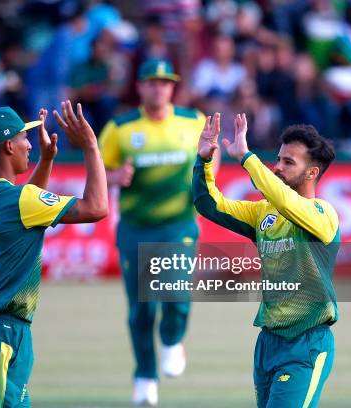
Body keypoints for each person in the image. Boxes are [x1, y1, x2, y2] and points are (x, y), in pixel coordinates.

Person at [0, 101, 108, 406]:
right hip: (1, 331)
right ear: (9, 146)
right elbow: (97, 207)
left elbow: (24, 209)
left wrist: (47, 161)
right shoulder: (20, 200)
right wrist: (91, 146)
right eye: (25, 138)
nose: (30, 145)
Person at [193, 113, 339, 407]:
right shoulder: (263, 214)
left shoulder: (323, 215)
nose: (277, 166)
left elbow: (286, 201)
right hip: (267, 343)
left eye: (289, 162)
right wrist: (204, 161)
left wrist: (247, 157)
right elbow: (209, 204)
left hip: (306, 343)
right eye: (279, 159)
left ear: (311, 173)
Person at [98, 58, 215, 406]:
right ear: (140, 86)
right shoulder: (120, 127)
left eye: (165, 82)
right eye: (151, 81)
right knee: (142, 310)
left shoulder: (192, 121)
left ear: (172, 87)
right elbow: (98, 172)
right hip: (136, 227)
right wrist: (115, 178)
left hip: (177, 223)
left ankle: (172, 339)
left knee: (176, 295)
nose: (158, 88)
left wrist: (205, 178)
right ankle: (145, 376)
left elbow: (210, 154)